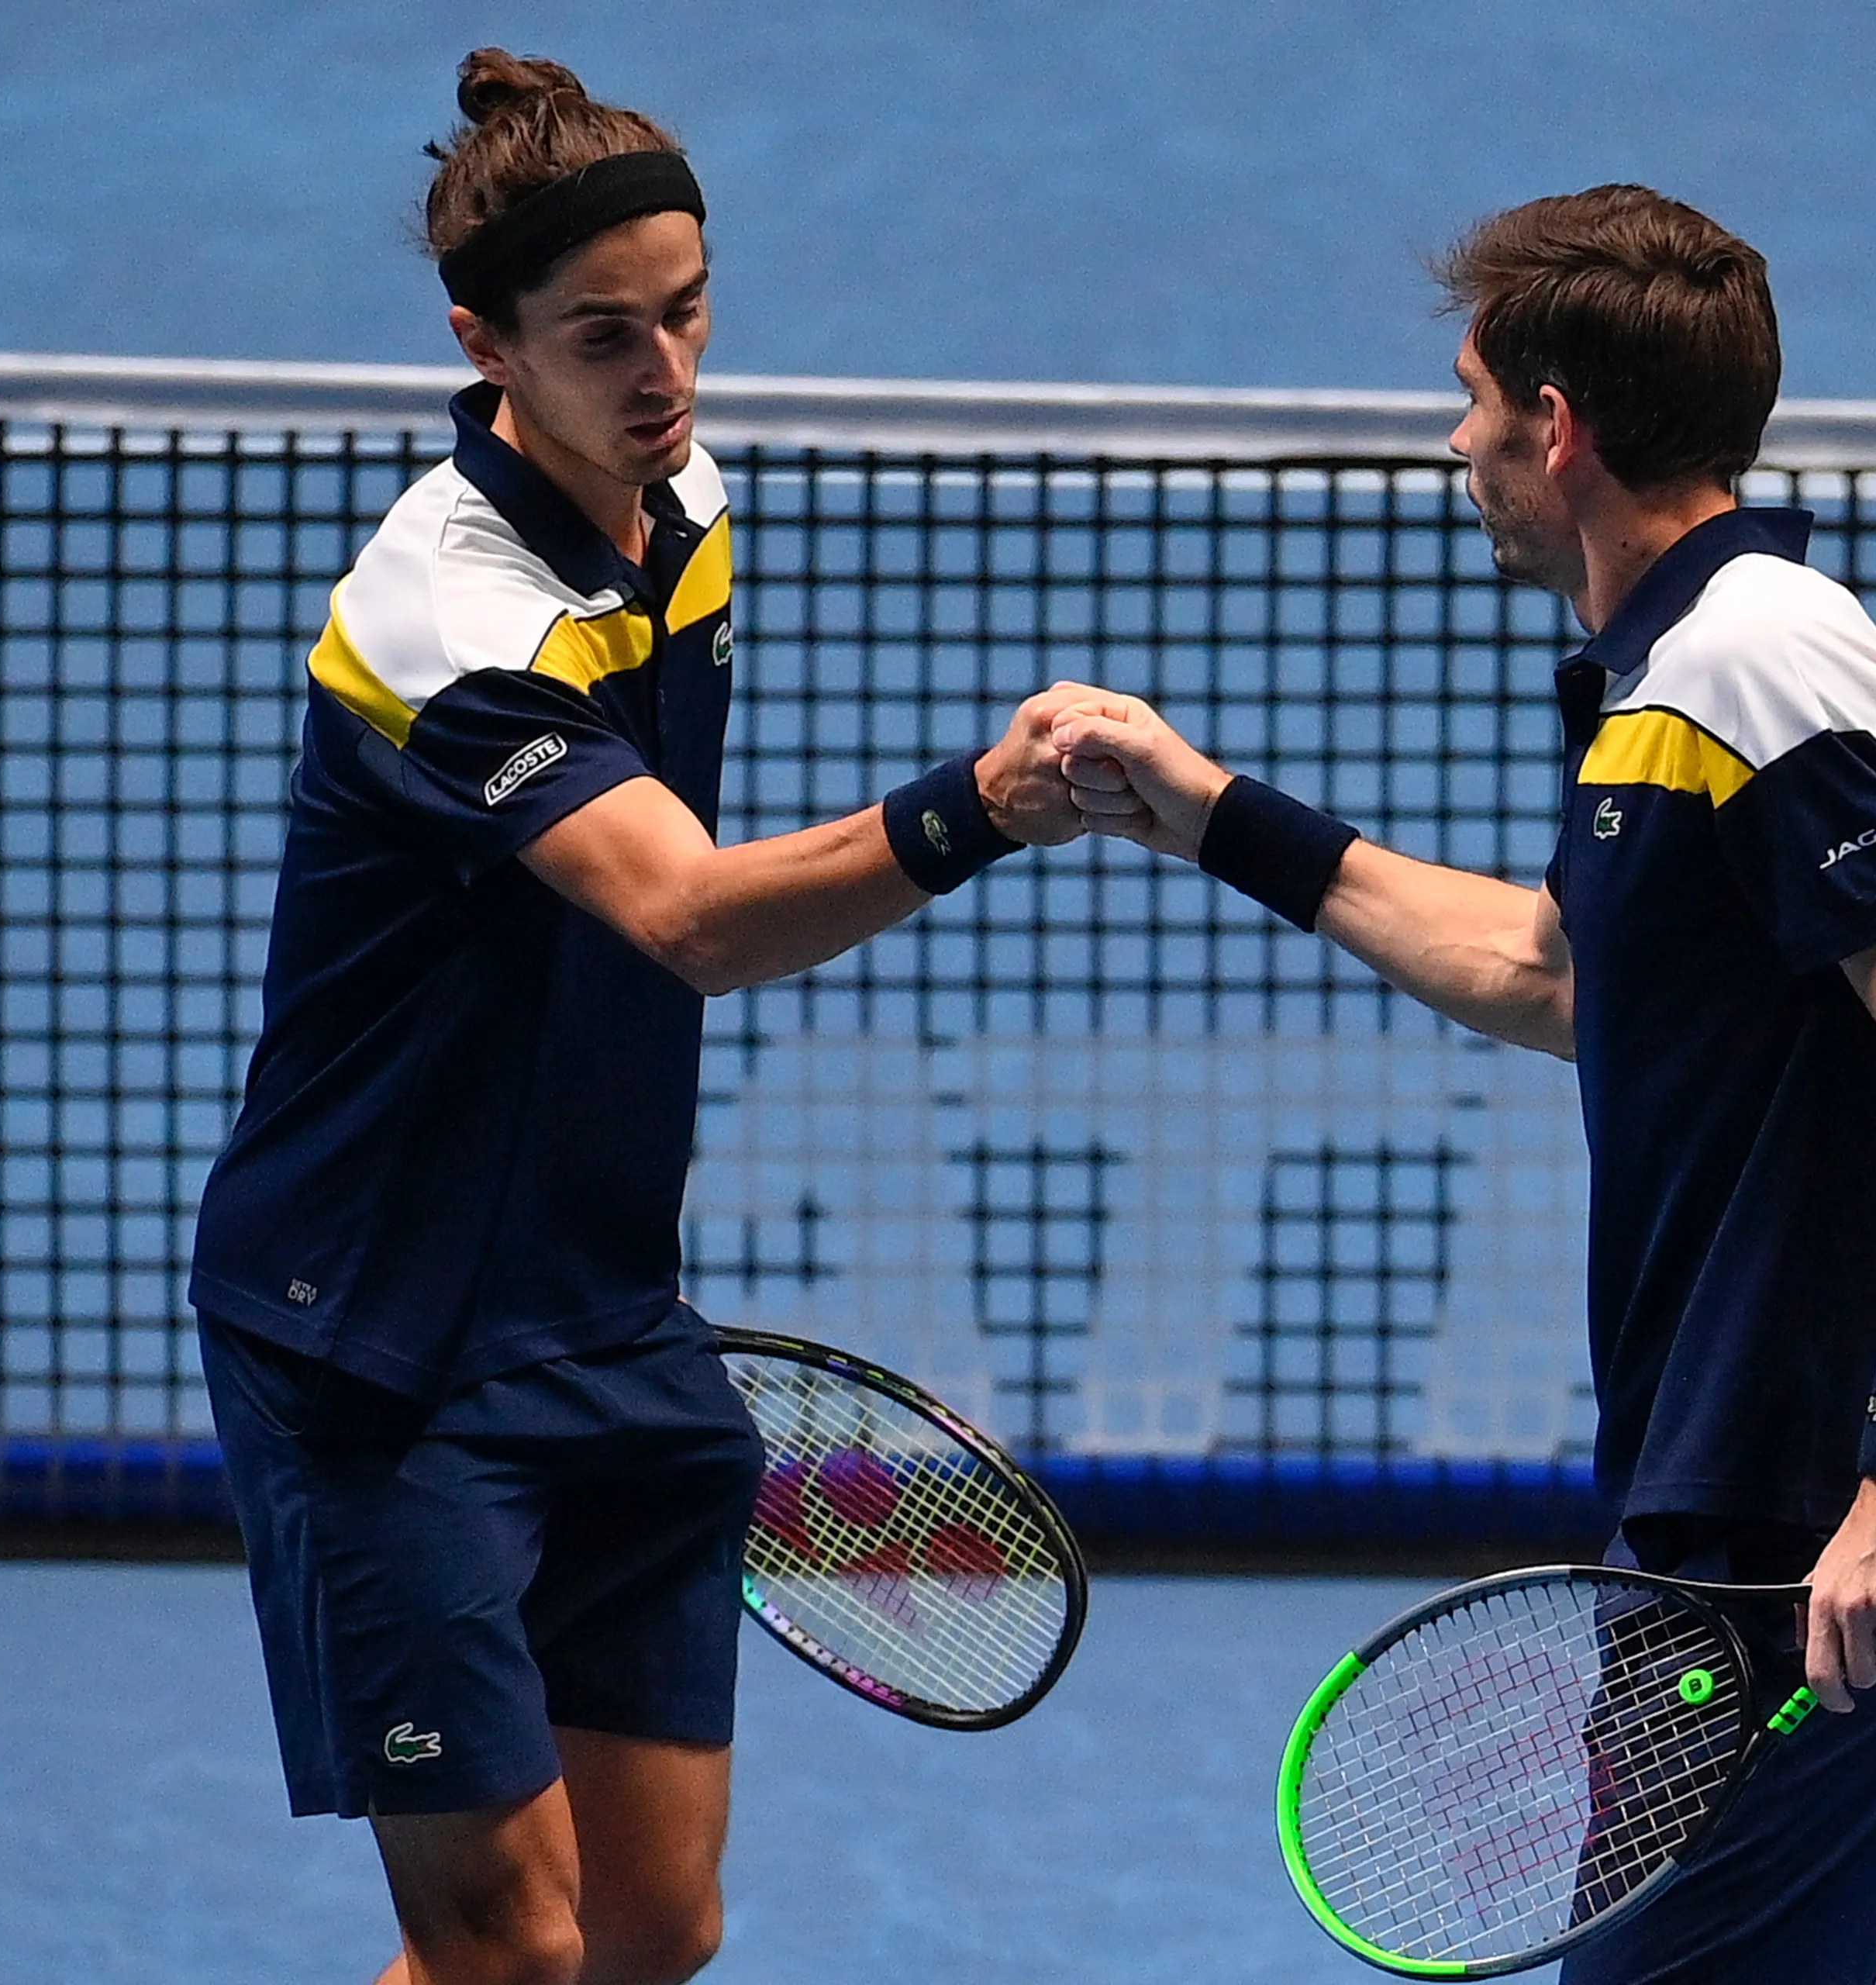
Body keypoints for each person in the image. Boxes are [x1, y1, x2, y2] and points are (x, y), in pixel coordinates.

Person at [1054, 185, 1876, 1984]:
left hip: (1810, 1535)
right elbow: (1563, 976)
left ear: (1558, 427)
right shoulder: (1666, 672)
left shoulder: (1762, 654)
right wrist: (1210, 815)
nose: (1460, 439)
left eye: (1473, 398)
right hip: (1721, 1501)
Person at [186, 50, 1100, 1985]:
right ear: (484, 342)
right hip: (382, 1344)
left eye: (684, 312)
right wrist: (973, 808)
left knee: (649, 1934)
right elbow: (680, 912)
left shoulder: (683, 502)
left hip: (607, 1318)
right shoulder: (451, 619)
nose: (662, 370)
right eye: (601, 333)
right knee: (505, 1947)